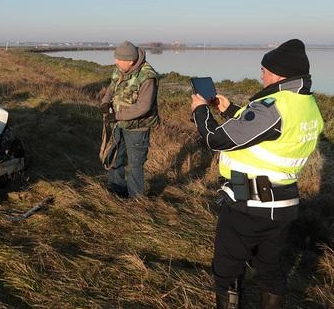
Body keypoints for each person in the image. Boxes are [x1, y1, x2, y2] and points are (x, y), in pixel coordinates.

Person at [191, 39, 323, 309]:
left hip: (250, 201)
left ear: (278, 73)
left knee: (228, 268)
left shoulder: (272, 106)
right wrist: (230, 110)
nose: (260, 74)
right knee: (271, 269)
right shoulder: (306, 104)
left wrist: (200, 110)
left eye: (264, 69)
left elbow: (216, 140)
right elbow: (269, 132)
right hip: (284, 202)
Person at [100, 40, 160, 199]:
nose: (116, 62)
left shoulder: (147, 77)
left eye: (119, 59)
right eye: (116, 58)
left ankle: (136, 200)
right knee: (114, 157)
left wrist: (116, 115)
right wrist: (105, 102)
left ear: (131, 61)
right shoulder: (119, 68)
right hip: (118, 124)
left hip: (138, 128)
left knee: (135, 164)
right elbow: (112, 87)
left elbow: (143, 107)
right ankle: (116, 190)